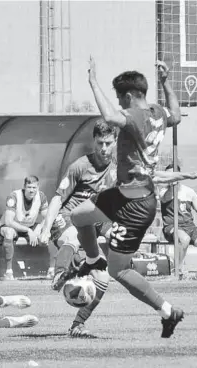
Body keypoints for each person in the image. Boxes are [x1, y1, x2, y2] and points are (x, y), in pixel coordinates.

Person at [68, 57, 184, 339]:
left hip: (136, 203)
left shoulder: (138, 117)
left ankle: (168, 311)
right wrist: (167, 84)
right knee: (77, 216)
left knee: (119, 270)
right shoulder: (158, 113)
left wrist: (93, 81)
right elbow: (177, 115)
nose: (119, 104)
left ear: (130, 96)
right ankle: (94, 260)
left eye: (121, 99)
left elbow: (110, 117)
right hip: (122, 193)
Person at [39, 119, 117, 337]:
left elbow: (105, 212)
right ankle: (60, 273)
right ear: (93, 141)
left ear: (115, 142)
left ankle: (77, 325)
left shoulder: (115, 173)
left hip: (90, 223)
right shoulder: (79, 166)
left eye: (108, 143)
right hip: (66, 218)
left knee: (103, 279)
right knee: (73, 235)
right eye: (100, 143)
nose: (103, 148)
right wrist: (45, 228)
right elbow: (57, 198)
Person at [159, 164, 197, 280]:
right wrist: (172, 187)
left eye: (174, 174)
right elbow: (164, 199)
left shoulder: (189, 192)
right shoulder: (163, 192)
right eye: (168, 175)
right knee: (184, 239)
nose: (171, 177)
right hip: (172, 227)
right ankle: (178, 271)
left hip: (190, 227)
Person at [0, 175, 49, 280]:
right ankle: (8, 272)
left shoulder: (41, 197)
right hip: (10, 225)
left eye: (34, 187)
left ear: (38, 187)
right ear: (24, 187)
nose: (31, 190)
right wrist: (29, 231)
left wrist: (39, 228)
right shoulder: (14, 196)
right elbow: (9, 221)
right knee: (9, 233)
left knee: (48, 232)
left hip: (29, 226)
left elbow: (48, 217)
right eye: (29, 187)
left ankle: (52, 269)